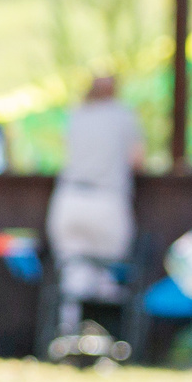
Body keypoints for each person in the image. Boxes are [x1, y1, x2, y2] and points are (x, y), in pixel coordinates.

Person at [46, 73, 143, 325]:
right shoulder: (123, 114)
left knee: (73, 274)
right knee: (107, 274)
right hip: (107, 201)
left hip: (69, 200)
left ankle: (68, 335)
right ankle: (102, 337)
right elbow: (137, 159)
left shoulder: (76, 114)